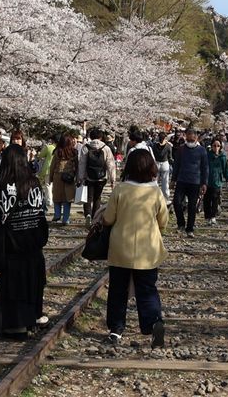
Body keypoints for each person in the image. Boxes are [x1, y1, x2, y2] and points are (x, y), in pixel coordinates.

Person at [99, 148, 166, 349]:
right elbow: (164, 221)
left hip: (121, 249)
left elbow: (108, 218)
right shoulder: (155, 191)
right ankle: (153, 323)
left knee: (118, 290)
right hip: (148, 250)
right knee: (147, 290)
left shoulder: (121, 189)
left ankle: (116, 329)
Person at [0, 146, 49, 339]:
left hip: (12, 243)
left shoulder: (3, 185)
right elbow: (41, 209)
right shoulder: (34, 183)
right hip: (34, 241)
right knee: (34, 282)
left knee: (12, 285)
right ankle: (34, 317)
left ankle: (12, 324)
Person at [171, 125, 208, 237]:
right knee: (176, 202)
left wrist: (204, 183)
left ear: (196, 137)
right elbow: (176, 165)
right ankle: (181, 223)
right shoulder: (181, 149)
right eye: (188, 138)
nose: (190, 140)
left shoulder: (202, 150)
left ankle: (190, 229)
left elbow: (205, 168)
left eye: (192, 138)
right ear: (185, 137)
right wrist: (173, 180)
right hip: (182, 180)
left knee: (192, 206)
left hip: (195, 181)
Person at [78, 128, 116, 223]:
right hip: (101, 177)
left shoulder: (85, 147)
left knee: (88, 197)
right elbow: (110, 164)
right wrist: (112, 179)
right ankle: (95, 216)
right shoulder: (106, 148)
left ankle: (88, 214)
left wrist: (80, 177)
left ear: (91, 137)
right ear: (100, 137)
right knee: (97, 198)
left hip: (88, 177)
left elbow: (82, 163)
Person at [47, 133, 79, 224]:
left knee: (57, 197)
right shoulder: (74, 152)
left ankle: (57, 214)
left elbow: (52, 166)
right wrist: (77, 177)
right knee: (67, 199)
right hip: (69, 177)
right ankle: (66, 219)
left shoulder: (57, 152)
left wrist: (50, 177)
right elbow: (77, 166)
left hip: (58, 176)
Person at [203, 139, 228, 225]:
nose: (216, 147)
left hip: (217, 181)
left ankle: (213, 216)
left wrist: (227, 178)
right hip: (207, 181)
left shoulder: (222, 157)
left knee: (215, 199)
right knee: (207, 199)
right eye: (214, 145)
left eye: (218, 146)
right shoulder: (207, 156)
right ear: (211, 146)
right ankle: (207, 216)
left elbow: (225, 168)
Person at [152, 132, 173, 200]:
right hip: (165, 163)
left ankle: (155, 196)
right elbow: (170, 157)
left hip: (156, 163)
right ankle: (166, 197)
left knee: (155, 182)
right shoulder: (168, 146)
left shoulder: (154, 145)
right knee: (165, 182)